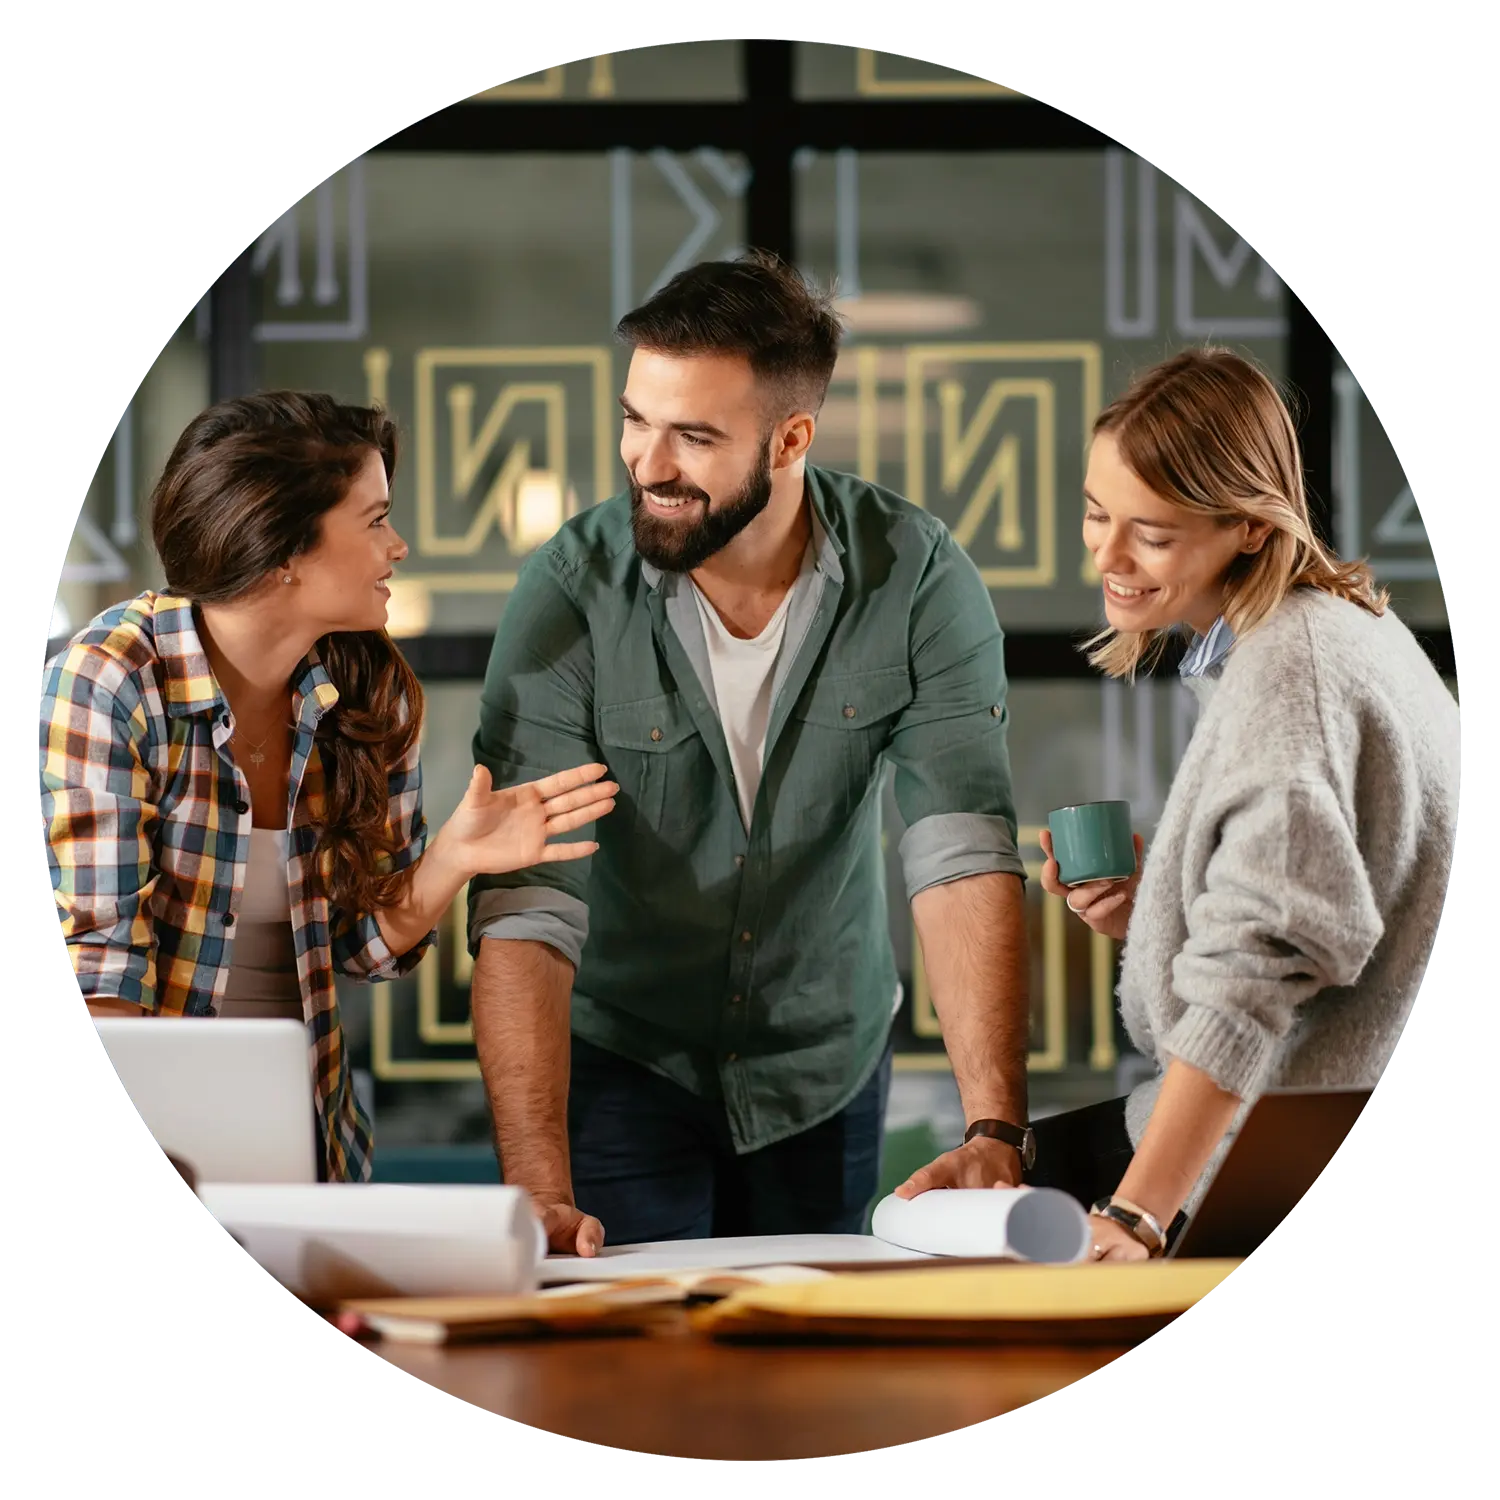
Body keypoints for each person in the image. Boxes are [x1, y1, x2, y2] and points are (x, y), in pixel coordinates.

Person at [467, 251, 1033, 1254]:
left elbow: (958, 853)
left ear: (790, 439)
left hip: (823, 1065)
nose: (648, 462)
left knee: (811, 1377)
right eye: (637, 419)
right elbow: (528, 900)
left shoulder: (917, 580)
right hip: (623, 1060)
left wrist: (995, 1126)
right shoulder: (569, 590)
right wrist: (538, 1187)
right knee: (632, 1383)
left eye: (693, 435)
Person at [38, 392, 616, 1183]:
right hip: (148, 1150)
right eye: (375, 520)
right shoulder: (111, 682)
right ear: (283, 551)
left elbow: (361, 950)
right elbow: (98, 981)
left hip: (312, 1154)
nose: (399, 544)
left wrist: (451, 858)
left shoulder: (365, 690)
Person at [1028, 347, 1460, 1261]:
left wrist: (1138, 1218)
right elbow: (1336, 896)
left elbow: (1254, 973)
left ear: (1251, 529)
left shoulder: (1288, 673)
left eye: (1152, 532)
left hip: (1285, 1154)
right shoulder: (1334, 631)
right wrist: (1159, 905)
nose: (1107, 554)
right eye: (1096, 513)